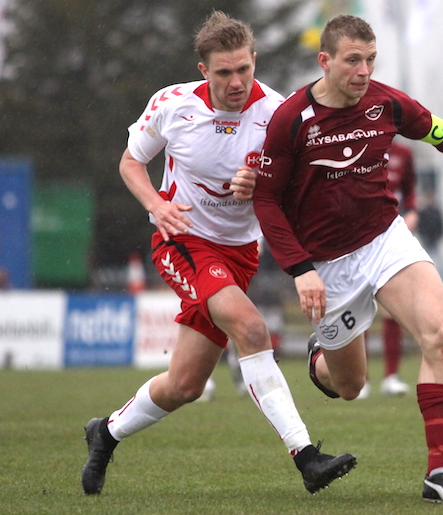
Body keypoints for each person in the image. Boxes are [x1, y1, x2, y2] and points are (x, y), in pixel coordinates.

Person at [252, 15, 443, 503]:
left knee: (441, 335)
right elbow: (266, 201)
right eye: (353, 60)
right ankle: (320, 359)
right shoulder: (292, 119)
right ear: (324, 61)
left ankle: (440, 473)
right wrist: (300, 269)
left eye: (371, 60)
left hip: (385, 240)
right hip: (327, 264)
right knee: (349, 386)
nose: (364, 71)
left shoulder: (388, 103)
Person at [80, 11, 356, 497]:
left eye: (243, 69)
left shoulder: (278, 113)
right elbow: (131, 162)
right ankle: (307, 457)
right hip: (182, 241)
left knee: (185, 385)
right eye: (224, 72)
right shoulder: (173, 104)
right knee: (251, 329)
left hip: (241, 253)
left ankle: (106, 432)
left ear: (255, 61)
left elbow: (295, 188)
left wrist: (261, 183)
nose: (236, 82)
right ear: (203, 70)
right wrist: (157, 205)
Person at [361, 142, 418, 398]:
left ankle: (391, 376)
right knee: (359, 311)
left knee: (392, 310)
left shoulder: (404, 153)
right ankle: (361, 378)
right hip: (358, 239)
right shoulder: (357, 145)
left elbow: (410, 188)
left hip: (390, 239)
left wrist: (412, 211)